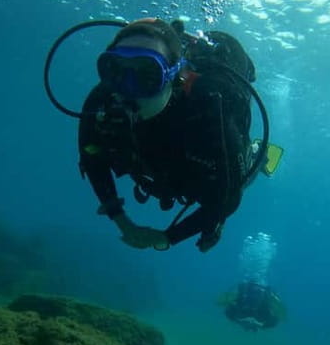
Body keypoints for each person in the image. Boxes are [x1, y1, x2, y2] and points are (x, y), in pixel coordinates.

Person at [78, 17, 255, 252]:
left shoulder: (207, 109)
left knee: (235, 180)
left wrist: (169, 237)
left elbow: (228, 198)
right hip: (158, 169)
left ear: (175, 75)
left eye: (147, 75)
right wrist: (122, 222)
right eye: (115, 70)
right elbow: (92, 160)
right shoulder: (102, 100)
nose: (128, 89)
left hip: (197, 174)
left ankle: (255, 153)